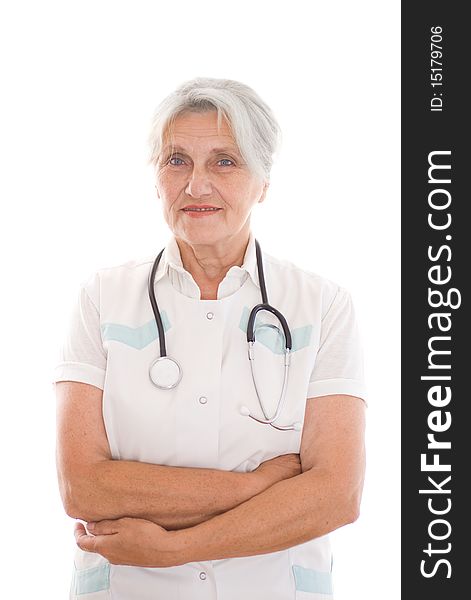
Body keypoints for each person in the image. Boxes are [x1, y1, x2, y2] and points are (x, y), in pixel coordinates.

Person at [54, 77, 366, 600]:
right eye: (177, 160)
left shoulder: (322, 305)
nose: (196, 186)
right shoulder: (102, 298)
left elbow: (335, 494)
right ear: (155, 178)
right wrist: (253, 487)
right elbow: (83, 485)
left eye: (225, 161)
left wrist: (175, 548)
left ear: (263, 182)